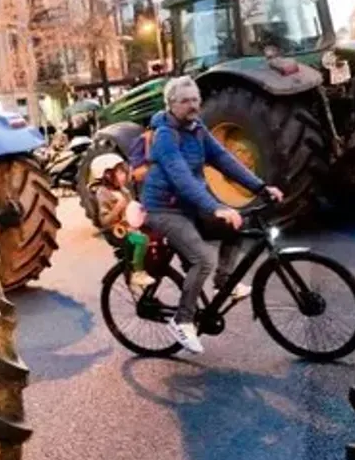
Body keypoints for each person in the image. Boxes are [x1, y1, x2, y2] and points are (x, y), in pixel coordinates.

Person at [140, 76, 283, 354]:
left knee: (237, 225)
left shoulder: (197, 128)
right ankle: (182, 321)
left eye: (196, 100)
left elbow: (224, 159)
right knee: (203, 258)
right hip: (164, 209)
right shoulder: (165, 135)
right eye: (185, 101)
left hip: (190, 205)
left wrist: (260, 187)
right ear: (171, 104)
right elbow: (181, 177)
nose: (193, 106)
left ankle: (224, 283)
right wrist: (214, 207)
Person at [90, 153, 155, 295]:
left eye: (124, 171)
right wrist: (117, 209)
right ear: (107, 175)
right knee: (141, 240)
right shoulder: (103, 194)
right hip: (115, 231)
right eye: (119, 172)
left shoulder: (123, 191)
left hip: (128, 227)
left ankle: (142, 266)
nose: (124, 175)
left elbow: (131, 210)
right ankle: (137, 272)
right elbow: (105, 221)